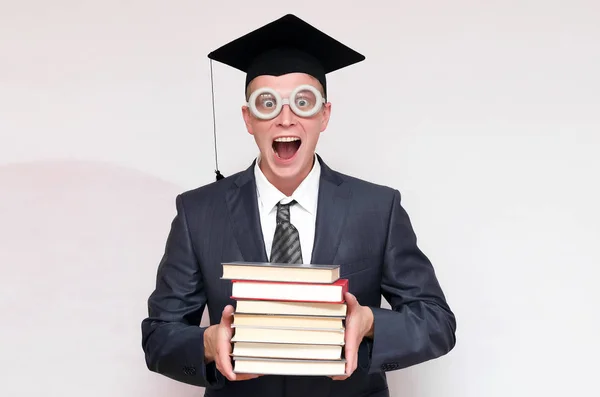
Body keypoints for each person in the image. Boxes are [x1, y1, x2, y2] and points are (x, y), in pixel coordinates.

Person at [141, 14, 456, 397]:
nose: (285, 118)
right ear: (248, 118)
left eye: (302, 102)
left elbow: (437, 322)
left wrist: (370, 322)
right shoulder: (198, 213)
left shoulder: (377, 208)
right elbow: (159, 335)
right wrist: (208, 342)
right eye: (267, 103)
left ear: (323, 115)